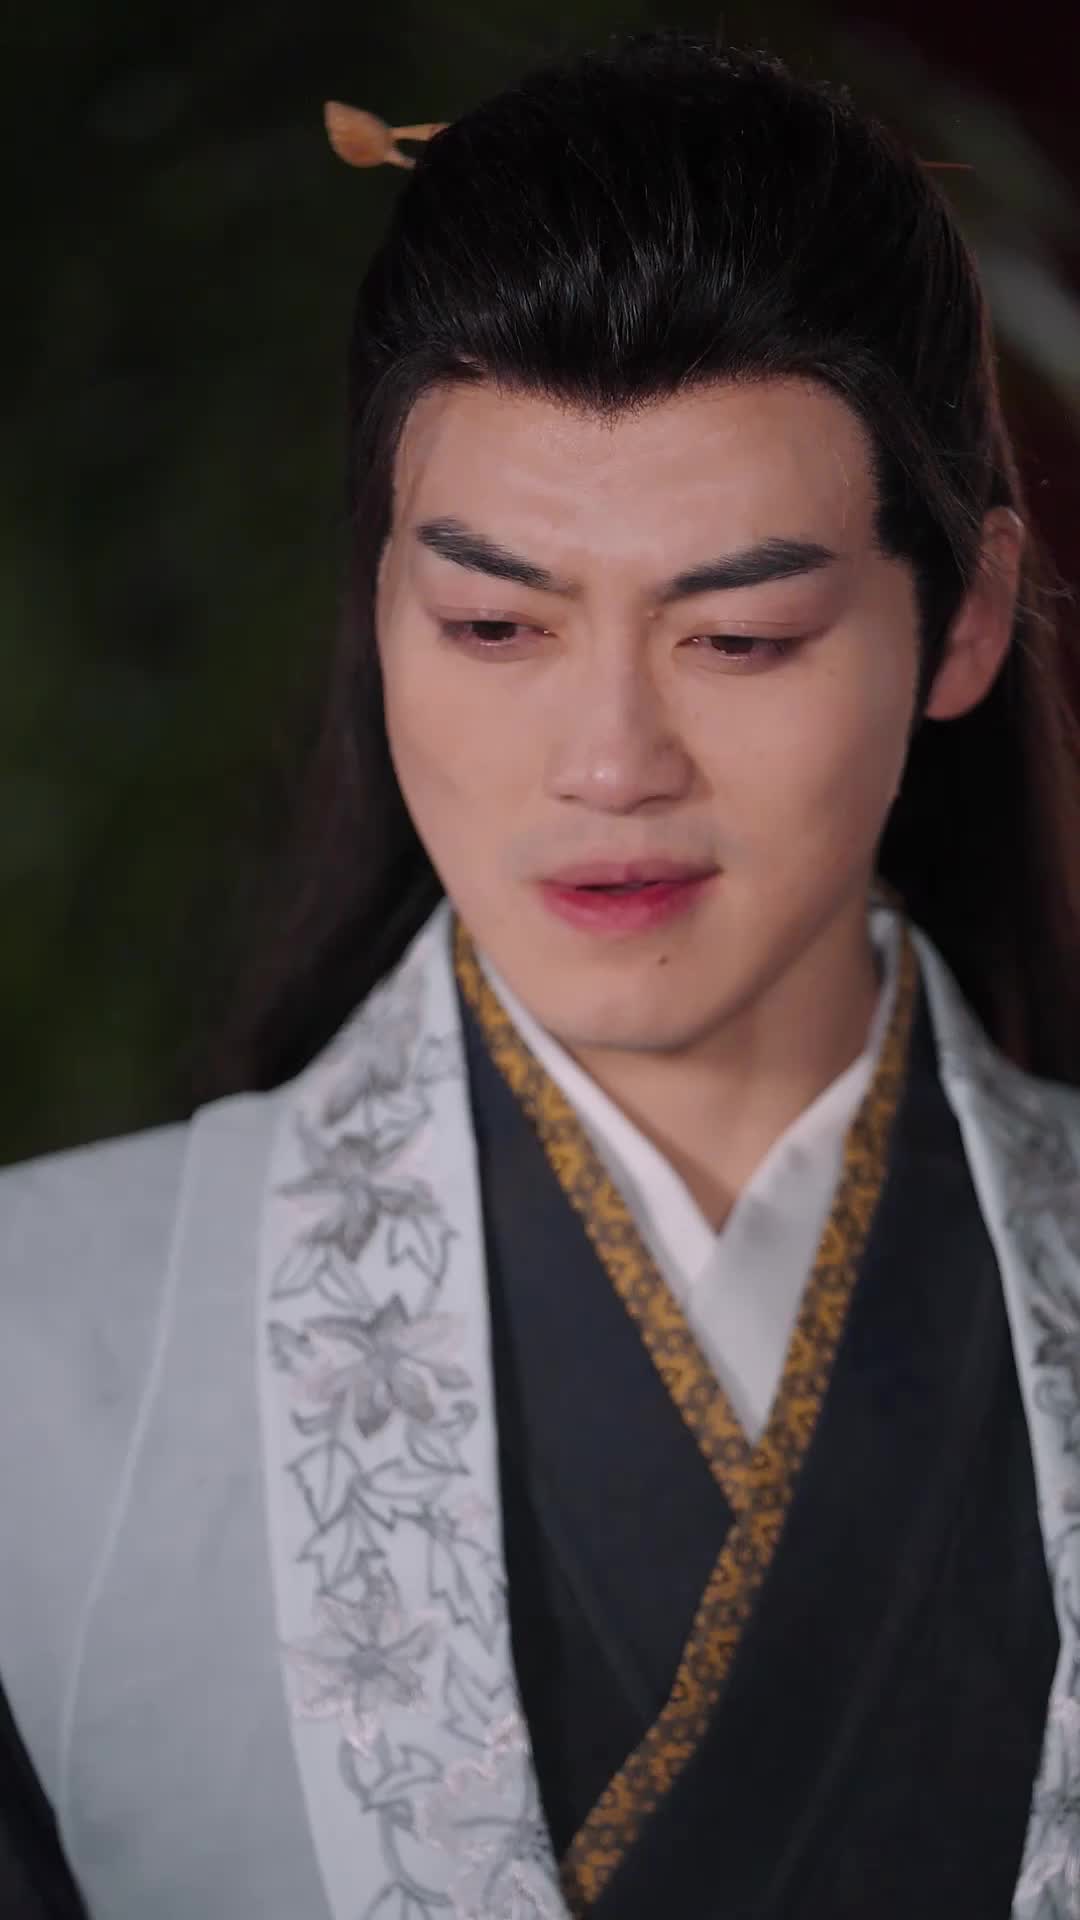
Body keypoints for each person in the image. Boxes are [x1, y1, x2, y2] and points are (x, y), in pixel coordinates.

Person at [3, 26, 1080, 1920]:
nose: (609, 762)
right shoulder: (40, 1340)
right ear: (379, 609)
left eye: (741, 636)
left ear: (967, 617)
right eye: (494, 623)